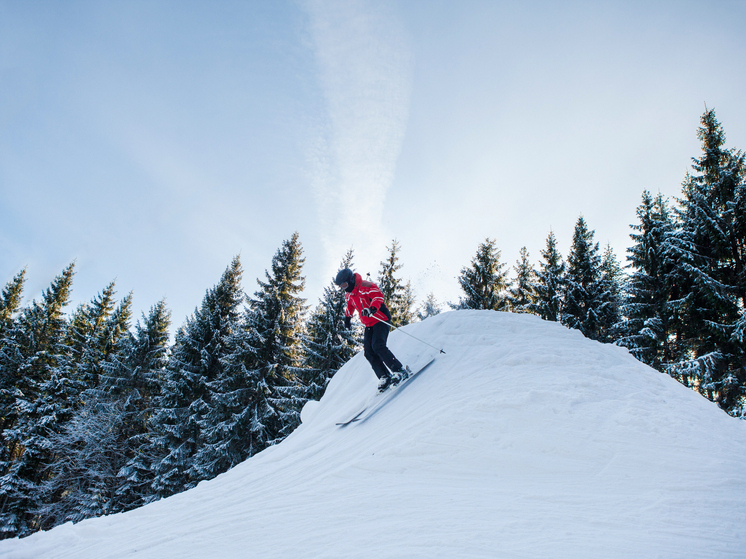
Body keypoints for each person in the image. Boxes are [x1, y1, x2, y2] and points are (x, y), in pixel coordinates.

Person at [335, 268, 409, 392]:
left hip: (380, 318)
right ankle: (385, 376)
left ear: (351, 280)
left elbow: (378, 297)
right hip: (369, 324)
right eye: (341, 286)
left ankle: (399, 370)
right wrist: (347, 318)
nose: (343, 288)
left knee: (378, 346)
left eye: (344, 285)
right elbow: (350, 306)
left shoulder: (366, 286)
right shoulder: (349, 294)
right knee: (368, 352)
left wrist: (372, 309)